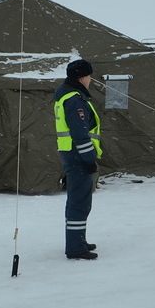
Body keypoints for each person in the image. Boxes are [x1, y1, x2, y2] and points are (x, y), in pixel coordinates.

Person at [54, 59, 101, 260]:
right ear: (82, 78)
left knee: (78, 199)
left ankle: (78, 240)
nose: (91, 80)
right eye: (89, 76)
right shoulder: (75, 100)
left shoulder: (66, 95)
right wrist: (89, 158)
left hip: (72, 153)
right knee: (79, 201)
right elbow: (80, 134)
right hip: (78, 155)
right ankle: (75, 247)